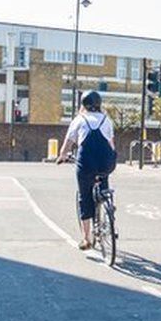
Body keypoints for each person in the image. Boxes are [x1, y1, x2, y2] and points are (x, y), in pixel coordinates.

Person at [56, 90, 116, 250]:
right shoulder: (107, 120)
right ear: (99, 104)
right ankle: (107, 203)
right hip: (106, 162)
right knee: (104, 180)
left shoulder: (79, 120)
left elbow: (68, 143)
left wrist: (61, 156)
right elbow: (111, 144)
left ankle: (86, 238)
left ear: (83, 104)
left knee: (85, 196)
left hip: (87, 163)